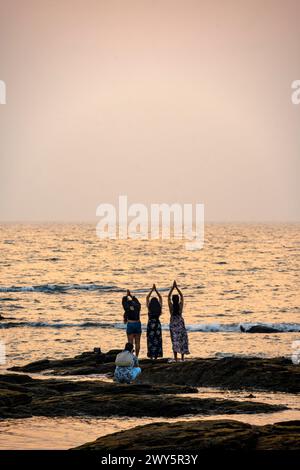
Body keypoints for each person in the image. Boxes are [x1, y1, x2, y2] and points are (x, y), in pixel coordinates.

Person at [168, 280, 190, 362]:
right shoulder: (180, 306)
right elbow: (182, 296)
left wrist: (172, 288)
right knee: (182, 340)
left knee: (174, 341)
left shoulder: (171, 307)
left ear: (173, 300)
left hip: (173, 324)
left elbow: (168, 297)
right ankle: (182, 358)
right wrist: (176, 288)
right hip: (180, 323)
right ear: (178, 300)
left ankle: (176, 358)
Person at [122, 289, 142, 357]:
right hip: (137, 323)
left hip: (130, 324)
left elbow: (123, 301)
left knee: (130, 343)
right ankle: (136, 357)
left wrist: (126, 295)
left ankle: (131, 357)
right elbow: (137, 301)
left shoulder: (127, 308)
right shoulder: (138, 306)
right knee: (137, 342)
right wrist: (131, 295)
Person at [146, 284, 163, 360]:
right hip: (157, 324)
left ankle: (151, 356)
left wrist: (152, 290)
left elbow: (147, 297)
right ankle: (156, 356)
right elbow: (160, 298)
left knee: (151, 340)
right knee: (158, 339)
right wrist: (156, 290)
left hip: (150, 324)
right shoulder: (159, 307)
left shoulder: (149, 308)